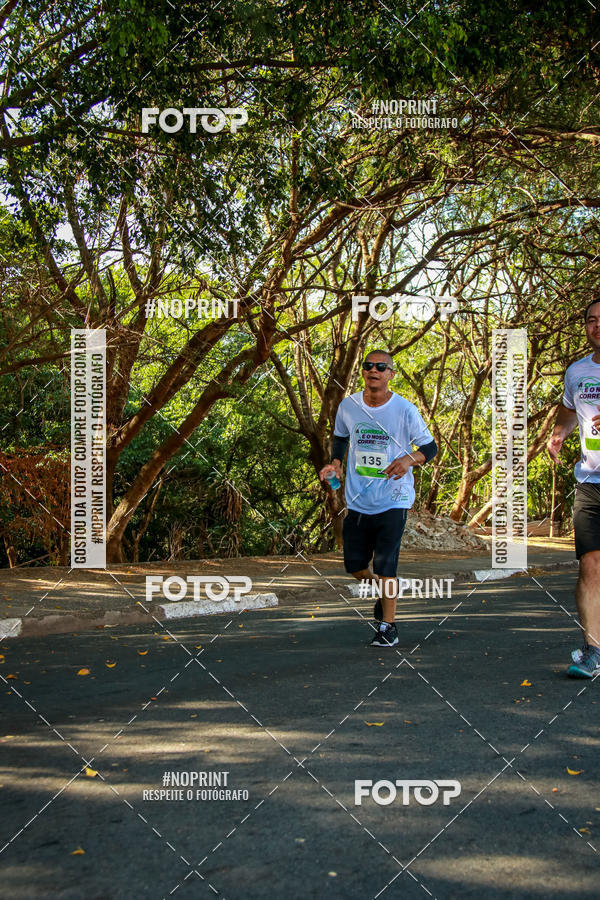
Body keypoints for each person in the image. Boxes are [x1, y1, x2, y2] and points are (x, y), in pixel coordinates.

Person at [319, 349, 437, 647]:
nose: (374, 370)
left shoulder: (404, 409)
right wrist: (335, 463)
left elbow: (430, 447)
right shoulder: (349, 406)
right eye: (369, 366)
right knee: (355, 567)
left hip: (393, 498)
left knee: (386, 566)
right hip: (358, 500)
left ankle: (389, 626)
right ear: (364, 372)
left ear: (390, 374)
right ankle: (386, 597)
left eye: (381, 367)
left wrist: (409, 460)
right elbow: (341, 438)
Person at [547, 298, 600, 678]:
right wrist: (560, 432)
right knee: (590, 566)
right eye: (591, 320)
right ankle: (594, 650)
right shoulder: (576, 371)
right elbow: (569, 408)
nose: (597, 325)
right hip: (590, 482)